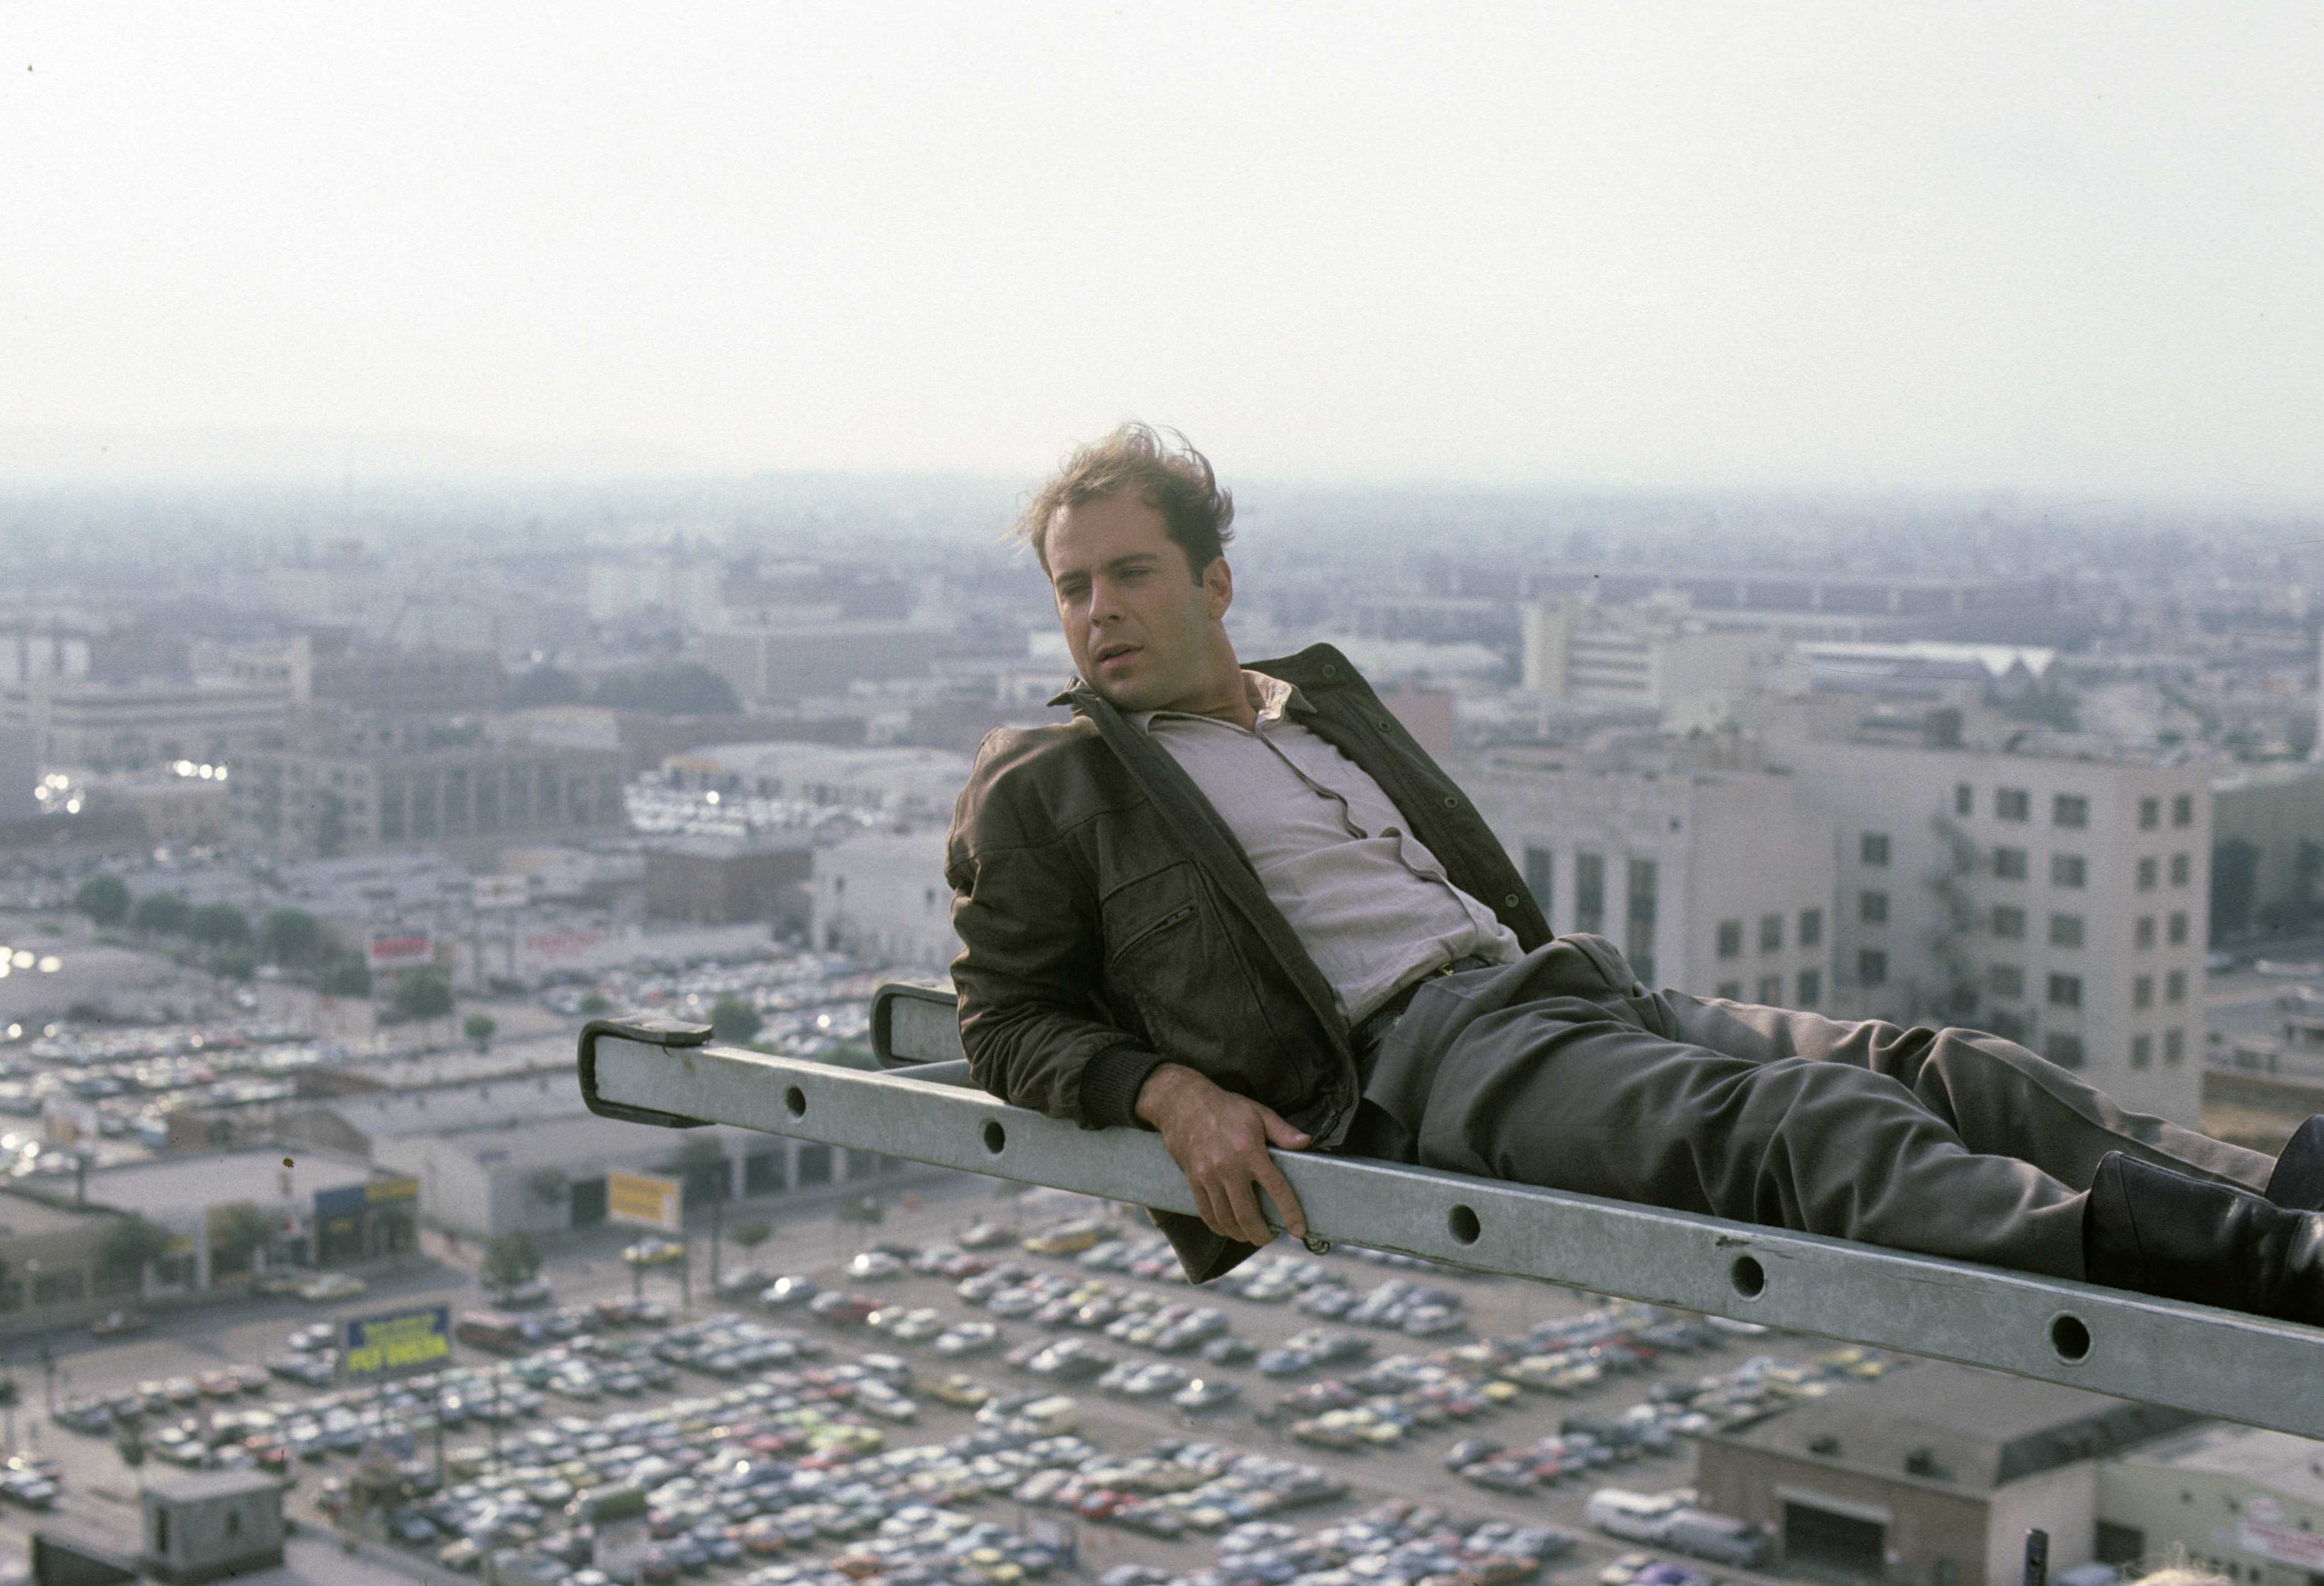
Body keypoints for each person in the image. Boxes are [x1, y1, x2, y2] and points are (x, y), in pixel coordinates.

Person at [943, 422, 2324, 1321]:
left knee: (1936, 1067)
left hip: (1561, 987)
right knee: (1793, 1129)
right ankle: (2261, 1272)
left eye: (1127, 573)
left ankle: (2277, 1199)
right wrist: (1167, 1090)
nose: (1097, 611)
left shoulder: (1312, 704)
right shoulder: (1052, 782)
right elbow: (1003, 1015)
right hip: (1412, 1065)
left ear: (1214, 581)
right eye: (1071, 587)